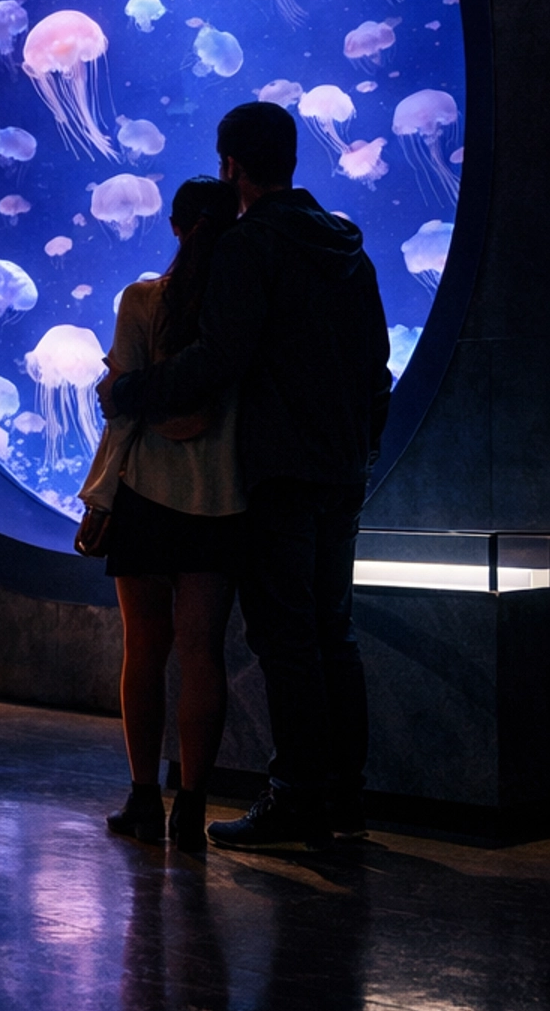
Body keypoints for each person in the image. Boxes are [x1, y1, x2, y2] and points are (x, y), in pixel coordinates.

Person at [105, 100, 392, 850]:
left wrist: (135, 392)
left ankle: (297, 796)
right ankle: (344, 797)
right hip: (341, 467)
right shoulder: (348, 248)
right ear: (293, 160)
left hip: (275, 468)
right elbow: (378, 367)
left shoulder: (250, 245)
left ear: (231, 166)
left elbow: (221, 359)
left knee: (286, 636)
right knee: (334, 631)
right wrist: (361, 448)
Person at [78, 178, 243, 853]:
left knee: (144, 649)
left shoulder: (142, 300)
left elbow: (119, 402)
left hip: (146, 494)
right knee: (204, 651)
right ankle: (192, 806)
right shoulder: (246, 309)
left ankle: (144, 797)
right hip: (223, 496)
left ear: (174, 227)